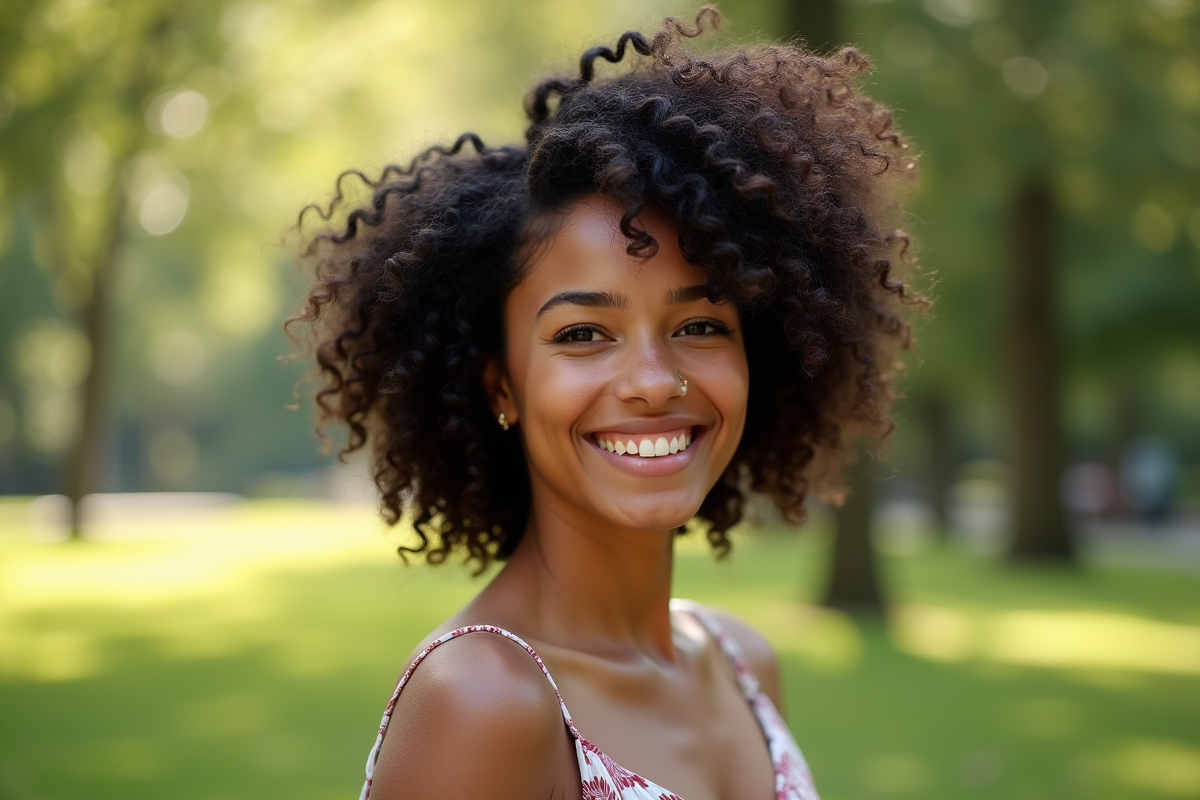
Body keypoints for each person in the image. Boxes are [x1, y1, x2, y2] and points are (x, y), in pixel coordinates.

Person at [292, 8, 920, 799]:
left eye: (699, 325)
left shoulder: (741, 661)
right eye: (585, 334)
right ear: (501, 384)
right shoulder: (484, 702)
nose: (655, 380)